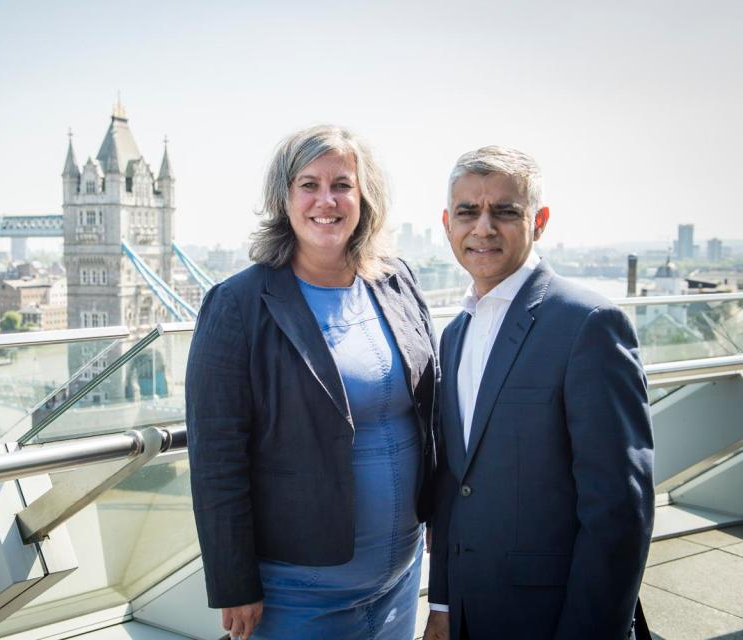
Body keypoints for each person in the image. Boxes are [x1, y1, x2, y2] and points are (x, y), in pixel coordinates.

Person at [185, 125, 439, 639]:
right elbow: (216, 458)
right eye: (309, 185)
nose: (327, 200)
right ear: (284, 198)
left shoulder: (396, 280)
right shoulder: (237, 305)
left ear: (364, 196)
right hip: (297, 594)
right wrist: (234, 583)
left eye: (342, 184)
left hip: (400, 580)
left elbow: (431, 413)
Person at [422, 146, 654, 640]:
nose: (483, 227)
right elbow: (454, 485)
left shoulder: (588, 324)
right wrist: (441, 604)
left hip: (552, 618)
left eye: (504, 211)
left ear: (539, 220)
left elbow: (618, 510)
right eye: (467, 211)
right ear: (447, 223)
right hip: (466, 612)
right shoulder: (454, 334)